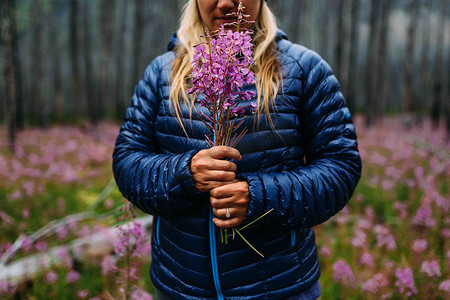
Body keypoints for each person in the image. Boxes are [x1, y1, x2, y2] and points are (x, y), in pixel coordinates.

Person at [112, 0, 362, 299]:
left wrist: (259, 195)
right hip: (180, 288)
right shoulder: (162, 73)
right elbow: (127, 162)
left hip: (280, 289)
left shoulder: (303, 69)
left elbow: (341, 168)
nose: (226, 2)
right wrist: (185, 173)